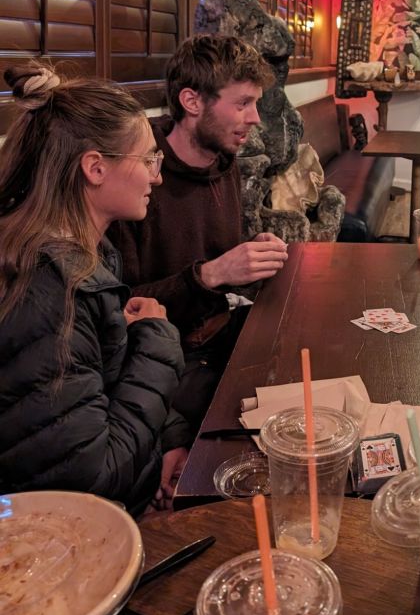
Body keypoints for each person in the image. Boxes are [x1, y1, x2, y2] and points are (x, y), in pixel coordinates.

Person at [0, 64, 187, 515]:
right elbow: (90, 480)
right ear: (96, 167)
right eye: (149, 160)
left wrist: (170, 439)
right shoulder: (46, 288)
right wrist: (156, 341)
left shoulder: (88, 253)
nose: (157, 177)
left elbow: (100, 387)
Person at [109, 34, 288, 428]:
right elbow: (121, 306)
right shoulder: (136, 177)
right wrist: (211, 274)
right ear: (192, 101)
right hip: (165, 356)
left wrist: (249, 256)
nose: (255, 118)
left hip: (222, 331)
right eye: (242, 103)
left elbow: (213, 259)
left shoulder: (225, 161)